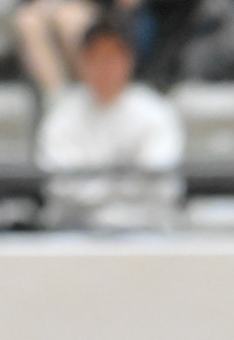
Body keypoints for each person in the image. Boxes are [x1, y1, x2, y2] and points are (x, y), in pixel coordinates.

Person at [37, 20, 185, 232]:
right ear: (82, 62)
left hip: (146, 230)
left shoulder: (156, 111)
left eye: (112, 57)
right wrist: (121, 187)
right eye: (96, 58)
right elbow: (60, 183)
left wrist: (101, 187)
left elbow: (160, 181)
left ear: (129, 60)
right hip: (77, 231)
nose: (105, 68)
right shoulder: (61, 114)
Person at [13, 0, 141, 99]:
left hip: (93, 1)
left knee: (66, 18)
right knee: (27, 21)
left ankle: (90, 92)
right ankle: (57, 97)